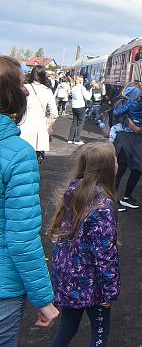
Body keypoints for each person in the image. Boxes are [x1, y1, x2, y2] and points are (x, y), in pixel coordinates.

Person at [0, 55, 59, 344]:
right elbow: (22, 240)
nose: (26, 91)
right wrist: (44, 299)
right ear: (8, 93)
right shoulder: (19, 154)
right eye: (22, 84)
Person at [49, 142, 119, 347]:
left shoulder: (73, 193)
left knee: (67, 328)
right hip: (92, 283)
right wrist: (110, 291)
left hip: (68, 278)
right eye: (114, 159)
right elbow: (105, 254)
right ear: (107, 168)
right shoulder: (102, 205)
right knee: (100, 332)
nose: (117, 162)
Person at [112, 85, 142, 211]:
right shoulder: (121, 101)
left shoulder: (139, 104)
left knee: (138, 168)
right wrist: (136, 128)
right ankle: (112, 200)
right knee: (120, 169)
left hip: (137, 139)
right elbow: (120, 116)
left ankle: (126, 198)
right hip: (124, 138)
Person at [19, 65, 59, 164]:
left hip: (24, 125)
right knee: (35, 159)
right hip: (40, 127)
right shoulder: (48, 91)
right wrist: (47, 124)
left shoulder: (24, 88)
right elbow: (54, 113)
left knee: (22, 157)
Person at [67, 77, 91, 145]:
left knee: (74, 122)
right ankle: (77, 140)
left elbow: (71, 95)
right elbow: (88, 97)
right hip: (81, 107)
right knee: (80, 123)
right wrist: (90, 90)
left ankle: (70, 139)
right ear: (81, 81)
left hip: (74, 106)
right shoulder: (82, 88)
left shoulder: (73, 88)